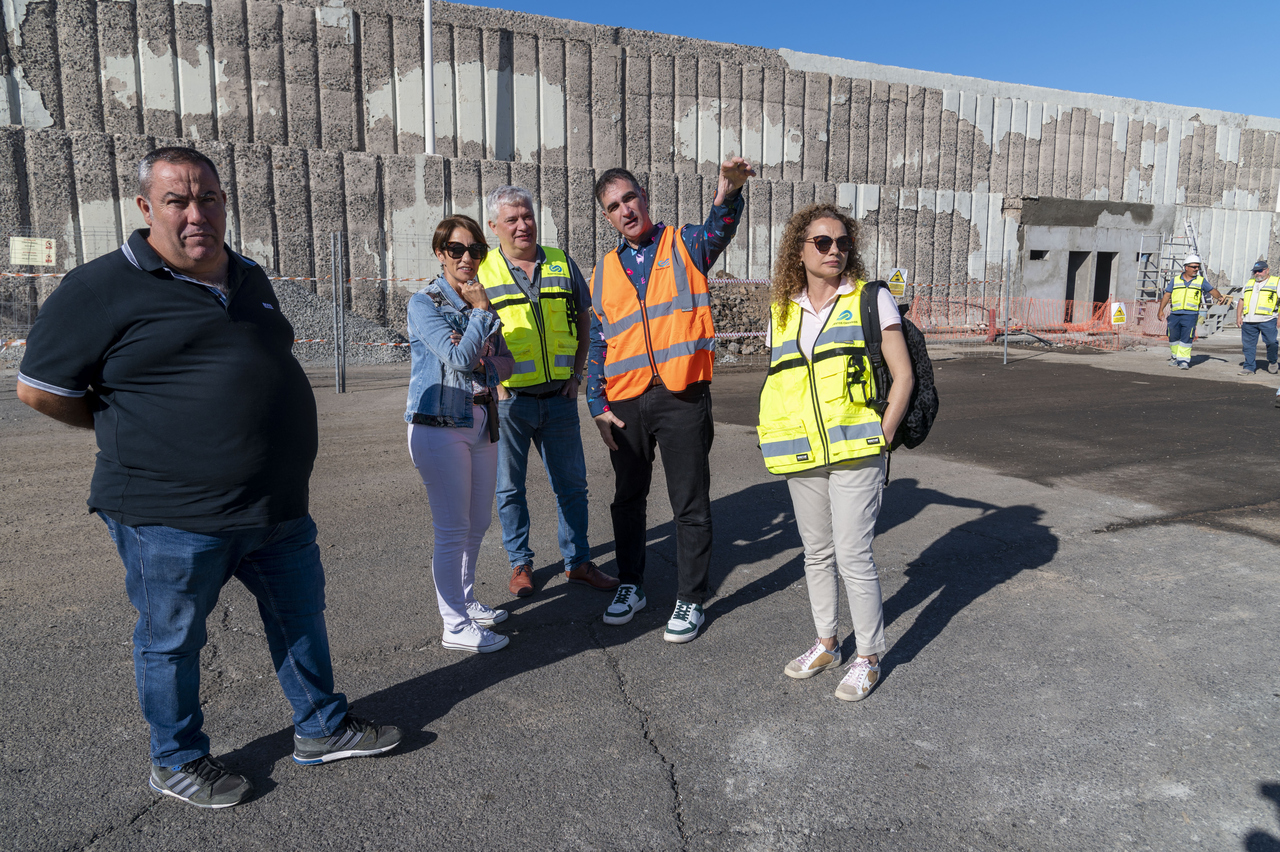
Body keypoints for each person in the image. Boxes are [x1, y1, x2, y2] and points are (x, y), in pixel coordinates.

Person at [14, 147, 401, 810]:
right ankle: (176, 758)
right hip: (170, 515)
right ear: (146, 208)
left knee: (301, 618)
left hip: (277, 507)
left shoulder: (249, 277)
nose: (198, 214)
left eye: (209, 198)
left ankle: (321, 727)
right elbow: (38, 391)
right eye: (178, 201)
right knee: (172, 641)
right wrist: (121, 431)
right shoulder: (99, 288)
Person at [586, 156, 755, 643]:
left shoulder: (685, 245)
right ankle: (631, 585)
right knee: (627, 499)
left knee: (689, 502)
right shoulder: (602, 273)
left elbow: (718, 228)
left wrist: (728, 195)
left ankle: (690, 597)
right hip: (625, 403)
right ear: (607, 216)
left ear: (644, 197)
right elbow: (599, 343)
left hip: (681, 395)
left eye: (630, 198)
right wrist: (597, 406)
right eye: (614, 206)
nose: (625, 210)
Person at [756, 203, 914, 702]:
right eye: (822, 242)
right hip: (803, 454)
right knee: (816, 553)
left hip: (857, 449)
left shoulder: (869, 299)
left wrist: (883, 437)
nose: (835, 251)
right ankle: (826, 642)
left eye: (843, 242)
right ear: (799, 250)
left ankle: (868, 655)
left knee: (853, 555)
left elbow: (903, 376)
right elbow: (780, 384)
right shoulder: (783, 311)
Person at [478, 186, 618, 598]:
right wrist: (496, 384)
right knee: (509, 489)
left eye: (527, 216)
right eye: (512, 219)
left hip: (558, 398)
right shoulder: (483, 272)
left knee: (572, 485)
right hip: (510, 404)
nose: (523, 225)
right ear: (494, 227)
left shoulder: (560, 262)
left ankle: (578, 562)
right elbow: (472, 335)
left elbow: (585, 320)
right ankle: (520, 564)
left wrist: (577, 375)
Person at [406, 214, 516, 654]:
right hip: (438, 423)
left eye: (476, 250)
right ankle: (454, 624)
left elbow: (506, 364)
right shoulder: (425, 302)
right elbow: (456, 359)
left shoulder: (479, 299)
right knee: (452, 528)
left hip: (482, 419)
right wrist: (480, 315)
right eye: (457, 249)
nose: (467, 258)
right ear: (440, 253)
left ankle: (467, 603)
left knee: (478, 522)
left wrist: (482, 361)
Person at [1156, 253, 1227, 370]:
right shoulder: (1175, 280)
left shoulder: (1200, 281)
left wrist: (1219, 297)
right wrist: (1161, 310)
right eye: (1194, 267)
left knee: (1186, 338)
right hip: (1175, 314)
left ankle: (1183, 360)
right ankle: (1175, 357)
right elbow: (1167, 295)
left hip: (1190, 315)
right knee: (1173, 336)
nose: (1196, 269)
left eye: (1198, 267)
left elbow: (1211, 290)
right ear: (1186, 267)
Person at [1235, 260, 1277, 376]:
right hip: (1249, 321)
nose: (1257, 273)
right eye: (1255, 271)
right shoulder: (1249, 283)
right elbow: (1241, 300)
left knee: (1272, 342)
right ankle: (1249, 367)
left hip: (1268, 320)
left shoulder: (1276, 282)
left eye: (1260, 271)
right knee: (1248, 345)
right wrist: (1239, 316)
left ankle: (1273, 361)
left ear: (1267, 270)